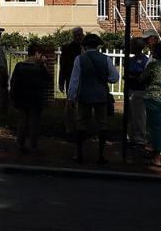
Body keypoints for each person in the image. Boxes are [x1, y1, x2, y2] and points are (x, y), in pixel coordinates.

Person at [67, 33, 120, 164]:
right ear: (97, 46)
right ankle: (101, 155)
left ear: (85, 46)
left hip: (84, 95)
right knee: (102, 124)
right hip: (101, 95)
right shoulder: (106, 59)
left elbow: (74, 80)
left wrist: (71, 97)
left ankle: (79, 154)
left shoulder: (79, 59)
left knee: (81, 123)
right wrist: (105, 79)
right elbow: (114, 77)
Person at [9, 42, 50, 153]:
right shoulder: (39, 67)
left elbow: (13, 82)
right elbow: (48, 79)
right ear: (37, 54)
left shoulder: (19, 66)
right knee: (34, 122)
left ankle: (20, 144)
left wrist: (13, 96)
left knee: (22, 121)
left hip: (22, 98)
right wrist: (44, 64)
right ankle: (33, 145)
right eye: (41, 54)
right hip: (36, 98)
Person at [58, 27, 85, 140]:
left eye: (80, 35)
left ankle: (80, 129)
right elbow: (63, 65)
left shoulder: (85, 48)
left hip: (83, 81)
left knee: (82, 106)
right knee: (70, 106)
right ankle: (69, 130)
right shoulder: (67, 48)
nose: (79, 37)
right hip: (70, 80)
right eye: (76, 35)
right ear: (73, 36)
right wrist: (61, 81)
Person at [125, 37, 150, 149]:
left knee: (139, 116)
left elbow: (144, 76)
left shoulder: (145, 60)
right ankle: (130, 137)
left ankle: (140, 139)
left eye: (132, 45)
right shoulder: (131, 60)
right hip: (130, 90)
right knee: (130, 116)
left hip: (140, 91)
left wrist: (133, 77)